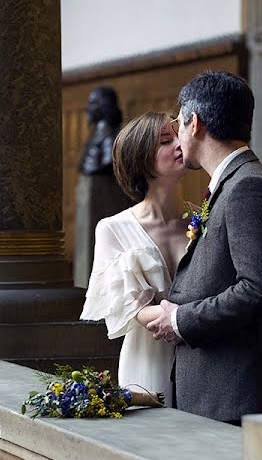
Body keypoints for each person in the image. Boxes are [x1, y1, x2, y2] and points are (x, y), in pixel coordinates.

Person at [148, 70, 262, 424]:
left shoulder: (249, 188)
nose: (178, 136)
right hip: (217, 393)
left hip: (234, 396)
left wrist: (181, 319)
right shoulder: (234, 183)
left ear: (194, 122)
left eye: (178, 124)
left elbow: (257, 290)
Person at [80, 111, 189, 406]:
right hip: (147, 360)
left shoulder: (202, 218)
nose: (181, 143)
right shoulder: (112, 229)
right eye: (167, 140)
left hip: (203, 355)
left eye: (180, 134)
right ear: (141, 159)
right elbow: (137, 311)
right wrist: (193, 317)